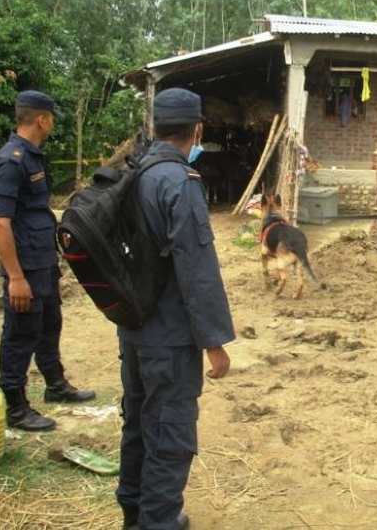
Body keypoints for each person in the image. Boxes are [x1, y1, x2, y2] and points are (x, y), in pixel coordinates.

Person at [116, 88, 235, 530]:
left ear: (154, 127)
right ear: (197, 130)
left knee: (137, 426)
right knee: (169, 437)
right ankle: (159, 521)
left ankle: (135, 514)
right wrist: (214, 343)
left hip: (133, 329)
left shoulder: (135, 172)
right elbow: (197, 269)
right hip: (168, 339)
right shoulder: (180, 182)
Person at [0, 90, 96, 432]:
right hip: (26, 268)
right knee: (20, 334)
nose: (52, 125)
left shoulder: (32, 157)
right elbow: (0, 222)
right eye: (51, 119)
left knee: (50, 324)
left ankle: (56, 385)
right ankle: (16, 407)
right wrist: (15, 277)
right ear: (41, 119)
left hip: (43, 261)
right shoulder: (12, 161)